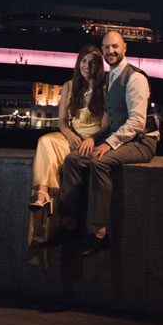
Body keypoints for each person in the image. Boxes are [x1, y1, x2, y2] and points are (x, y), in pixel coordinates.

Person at [54, 29, 158, 255]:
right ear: (102, 51)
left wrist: (106, 144)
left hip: (142, 142)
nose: (111, 51)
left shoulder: (135, 78)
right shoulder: (109, 78)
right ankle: (69, 225)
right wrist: (92, 139)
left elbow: (137, 122)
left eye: (115, 47)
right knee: (73, 159)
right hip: (120, 138)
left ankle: (100, 234)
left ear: (124, 48)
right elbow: (110, 122)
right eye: (107, 48)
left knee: (100, 162)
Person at [30, 44, 105, 213]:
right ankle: (42, 193)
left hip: (94, 141)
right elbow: (62, 121)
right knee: (45, 141)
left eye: (92, 63)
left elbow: (107, 126)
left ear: (99, 66)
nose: (87, 66)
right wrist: (70, 136)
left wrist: (91, 139)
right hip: (72, 138)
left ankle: (56, 206)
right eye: (83, 61)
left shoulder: (105, 88)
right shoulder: (69, 86)